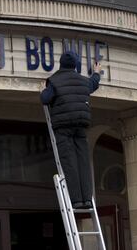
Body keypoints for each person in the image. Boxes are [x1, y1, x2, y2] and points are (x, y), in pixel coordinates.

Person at [40, 51, 101, 209]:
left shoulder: (55, 80)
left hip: (63, 127)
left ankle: (76, 200)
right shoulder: (83, 81)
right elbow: (93, 84)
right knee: (83, 161)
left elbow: (45, 99)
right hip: (80, 125)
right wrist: (96, 72)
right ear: (75, 65)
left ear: (61, 64)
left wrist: (43, 89)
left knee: (69, 162)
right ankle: (87, 198)